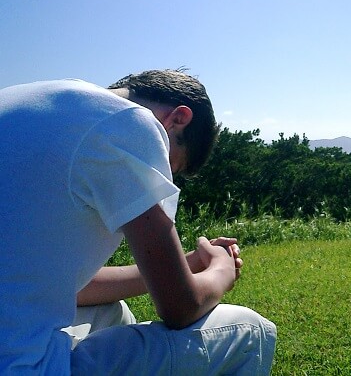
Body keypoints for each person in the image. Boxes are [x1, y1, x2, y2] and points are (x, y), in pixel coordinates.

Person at [0, 70, 277, 375]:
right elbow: (180, 308)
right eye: (171, 165)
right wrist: (220, 268)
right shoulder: (130, 123)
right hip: (19, 366)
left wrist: (185, 265)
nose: (163, 177)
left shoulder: (30, 103)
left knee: (111, 310)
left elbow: (70, 287)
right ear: (178, 119)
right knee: (250, 332)